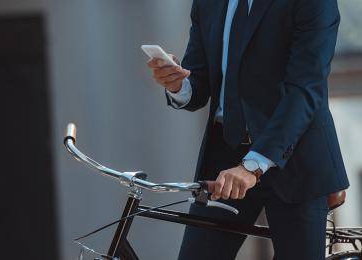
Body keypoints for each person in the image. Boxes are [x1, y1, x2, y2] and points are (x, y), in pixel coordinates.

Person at [147, 0, 350, 259]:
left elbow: (305, 89)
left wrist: (253, 166)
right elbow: (199, 82)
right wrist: (177, 84)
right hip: (224, 159)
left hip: (295, 157)